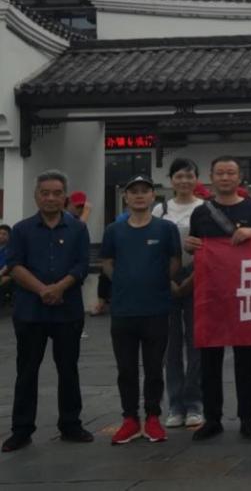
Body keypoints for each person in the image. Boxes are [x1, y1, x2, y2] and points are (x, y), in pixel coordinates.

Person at [3, 170, 93, 452]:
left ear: (65, 197)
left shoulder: (78, 229)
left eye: (56, 193)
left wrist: (60, 288)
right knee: (26, 371)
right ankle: (21, 429)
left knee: (68, 370)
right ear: (36, 196)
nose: (51, 198)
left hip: (67, 311)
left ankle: (71, 424)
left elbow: (82, 265)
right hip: (30, 312)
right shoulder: (21, 229)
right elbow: (14, 265)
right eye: (45, 193)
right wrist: (43, 290)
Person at [185, 156, 251, 441]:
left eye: (230, 173)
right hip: (212, 294)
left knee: (246, 359)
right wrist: (190, 245)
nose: (225, 177)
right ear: (211, 177)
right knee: (210, 359)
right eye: (220, 173)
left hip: (246, 293)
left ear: (239, 177)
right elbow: (197, 248)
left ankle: (247, 417)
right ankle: (212, 418)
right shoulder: (201, 213)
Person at [100, 175, 181, 445]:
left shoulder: (166, 228)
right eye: (133, 191)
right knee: (126, 369)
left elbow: (174, 260)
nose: (138, 195)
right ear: (126, 197)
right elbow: (107, 262)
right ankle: (130, 419)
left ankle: (153, 417)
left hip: (156, 308)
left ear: (152, 196)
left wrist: (157, 281)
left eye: (144, 191)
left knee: (155, 367)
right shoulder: (114, 230)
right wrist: (123, 281)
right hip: (124, 310)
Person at [151, 158, 205, 429]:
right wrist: (168, 278)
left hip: (198, 278)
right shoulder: (160, 210)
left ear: (197, 179)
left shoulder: (205, 209)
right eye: (179, 176)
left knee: (196, 344)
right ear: (171, 180)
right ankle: (175, 404)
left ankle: (194, 403)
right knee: (170, 346)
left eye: (189, 175)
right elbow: (153, 247)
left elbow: (212, 246)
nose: (184, 181)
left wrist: (192, 278)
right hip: (166, 279)